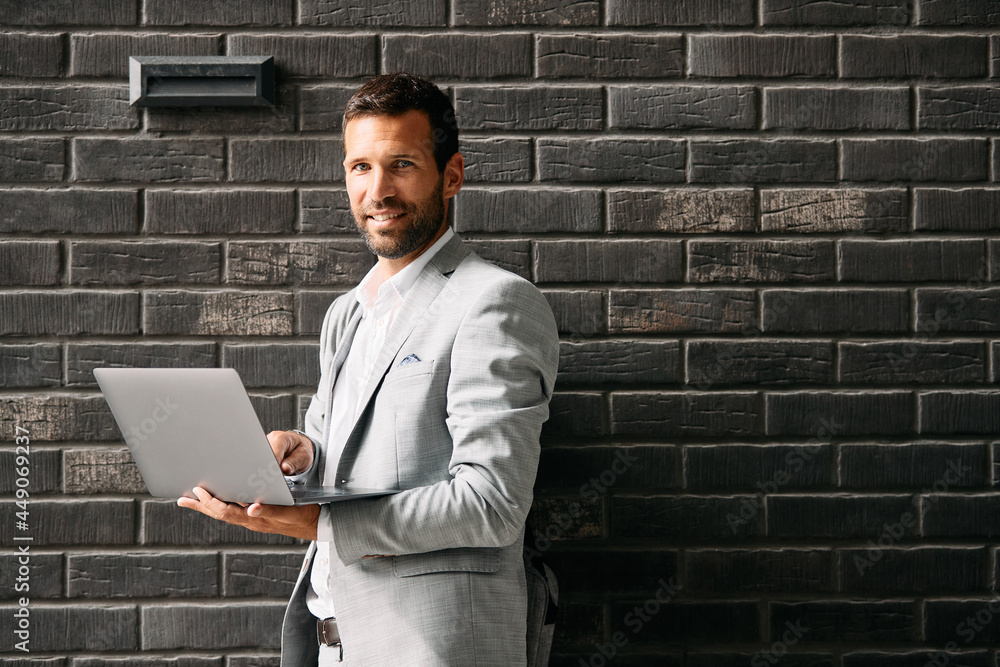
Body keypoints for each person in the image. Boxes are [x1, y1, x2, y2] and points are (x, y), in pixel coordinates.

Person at [177, 72, 560, 666]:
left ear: (451, 175)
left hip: (433, 647)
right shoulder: (347, 313)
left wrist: (316, 523)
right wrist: (302, 454)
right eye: (360, 167)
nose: (377, 190)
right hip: (332, 640)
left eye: (401, 164)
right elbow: (351, 454)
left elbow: (492, 503)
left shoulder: (494, 302)